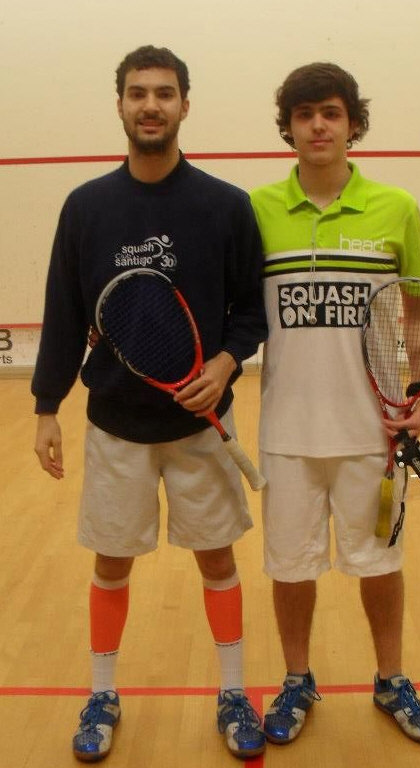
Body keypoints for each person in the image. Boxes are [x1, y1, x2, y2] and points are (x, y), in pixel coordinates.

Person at [32, 45, 267, 762]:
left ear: (185, 105)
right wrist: (46, 406)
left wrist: (224, 363)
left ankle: (234, 692)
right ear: (121, 105)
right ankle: (103, 694)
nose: (151, 106)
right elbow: (64, 311)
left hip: (201, 423)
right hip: (115, 423)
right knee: (112, 565)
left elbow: (250, 311)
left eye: (164, 93)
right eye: (138, 93)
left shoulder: (225, 206)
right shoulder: (87, 207)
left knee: (217, 561)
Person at [250, 62, 420, 746]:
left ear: (353, 123)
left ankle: (390, 678)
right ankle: (297, 678)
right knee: (290, 568)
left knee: (381, 565)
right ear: (289, 128)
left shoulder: (396, 207)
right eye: (304, 115)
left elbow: (419, 308)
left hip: (373, 432)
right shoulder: (257, 211)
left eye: (331, 112)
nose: (318, 126)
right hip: (287, 433)